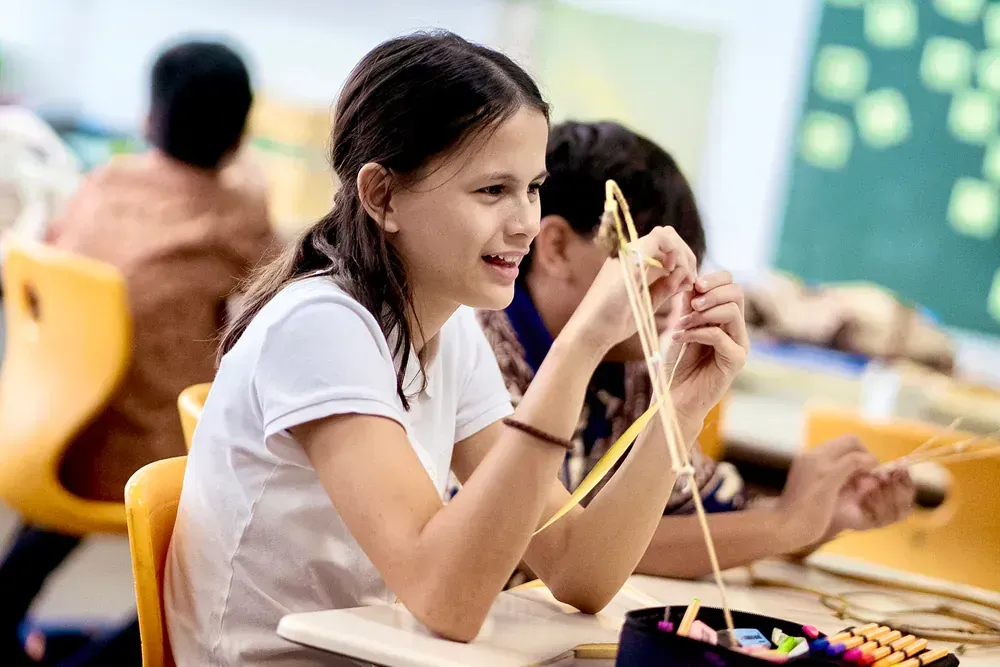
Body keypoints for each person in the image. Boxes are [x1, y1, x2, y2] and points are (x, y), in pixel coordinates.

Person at [163, 31, 792, 666]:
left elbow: (578, 568)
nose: (524, 221)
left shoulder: (451, 330)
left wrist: (680, 407)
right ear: (382, 195)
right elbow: (448, 601)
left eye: (533, 188)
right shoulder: (321, 326)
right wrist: (580, 346)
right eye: (492, 191)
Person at [478, 120, 916, 581]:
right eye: (653, 263)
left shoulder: (631, 369)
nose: (677, 289)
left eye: (686, 266)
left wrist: (824, 514)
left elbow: (702, 521)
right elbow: (561, 551)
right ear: (557, 248)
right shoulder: (482, 354)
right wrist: (784, 525)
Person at [0, 39, 275, 666]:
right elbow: (272, 284)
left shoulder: (106, 180)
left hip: (56, 430)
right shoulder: (234, 213)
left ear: (150, 118)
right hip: (144, 454)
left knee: (50, 537)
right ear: (241, 131)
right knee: (229, 565)